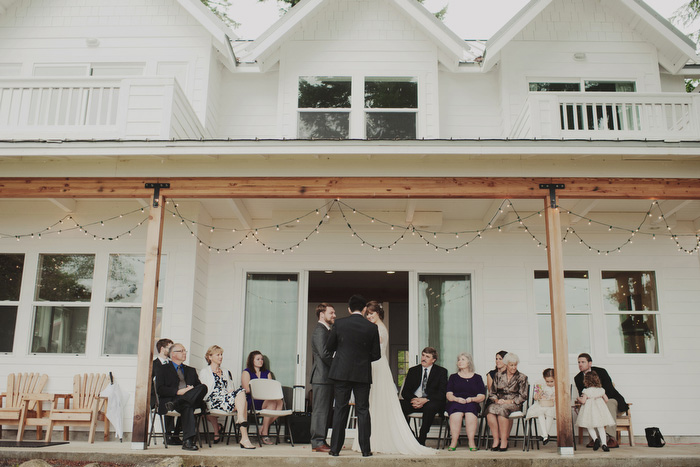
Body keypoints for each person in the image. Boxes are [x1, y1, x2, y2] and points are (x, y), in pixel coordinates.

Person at [351, 301, 434, 455]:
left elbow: (371, 348)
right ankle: (370, 439)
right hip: (374, 366)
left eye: (371, 313)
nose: (369, 316)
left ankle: (377, 440)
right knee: (371, 403)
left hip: (377, 367)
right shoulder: (377, 328)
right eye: (367, 313)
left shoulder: (378, 329)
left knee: (378, 402)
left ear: (378, 313)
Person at [327, 294, 381, 457]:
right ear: (364, 309)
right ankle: (365, 450)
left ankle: (335, 449)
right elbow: (376, 354)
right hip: (362, 373)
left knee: (340, 410)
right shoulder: (372, 327)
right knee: (363, 410)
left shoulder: (340, 323)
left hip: (341, 372)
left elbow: (330, 347)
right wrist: (363, 359)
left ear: (349, 309)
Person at [198, 345, 255, 449]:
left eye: (221, 355)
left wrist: (231, 392)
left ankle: (242, 423)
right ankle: (244, 437)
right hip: (212, 399)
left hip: (226, 397)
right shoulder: (205, 372)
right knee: (243, 401)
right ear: (210, 357)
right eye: (218, 355)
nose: (221, 357)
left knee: (241, 393)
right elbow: (202, 390)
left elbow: (230, 388)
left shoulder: (225, 371)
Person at [155, 343, 207, 451]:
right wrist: (178, 392)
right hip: (172, 399)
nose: (184, 353)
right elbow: (160, 389)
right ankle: (188, 442)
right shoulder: (163, 369)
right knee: (188, 406)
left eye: (185, 351)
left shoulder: (191, 370)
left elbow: (198, 388)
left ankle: (180, 402)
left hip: (179, 402)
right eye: (181, 351)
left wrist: (191, 389)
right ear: (173, 354)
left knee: (203, 387)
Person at [574, 352, 628, 446]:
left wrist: (597, 397)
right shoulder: (578, 378)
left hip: (610, 399)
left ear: (590, 363)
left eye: (583, 362)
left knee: (607, 403)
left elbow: (609, 390)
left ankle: (611, 437)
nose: (580, 364)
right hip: (593, 403)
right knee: (590, 407)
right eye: (578, 362)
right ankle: (595, 439)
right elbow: (582, 394)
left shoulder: (601, 372)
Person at [399, 347, 448, 446]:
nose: (424, 358)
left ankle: (422, 438)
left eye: (427, 356)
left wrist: (425, 400)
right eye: (423, 355)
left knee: (431, 407)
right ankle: (410, 435)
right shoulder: (413, 370)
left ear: (433, 360)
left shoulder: (441, 371)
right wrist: (415, 400)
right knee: (399, 405)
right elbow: (405, 392)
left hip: (430, 401)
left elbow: (442, 393)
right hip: (414, 401)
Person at [485, 352, 528, 452]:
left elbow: (523, 396)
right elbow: (492, 393)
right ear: (506, 365)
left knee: (502, 410)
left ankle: (504, 440)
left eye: (515, 365)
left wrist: (510, 401)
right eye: (511, 365)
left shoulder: (522, 377)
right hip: (500, 402)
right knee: (490, 409)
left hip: (514, 403)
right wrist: (496, 400)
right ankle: (496, 440)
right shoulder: (498, 375)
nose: (513, 367)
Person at [445, 352, 485, 451]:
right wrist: (457, 399)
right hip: (456, 401)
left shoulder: (477, 378)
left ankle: (471, 441)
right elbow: (449, 394)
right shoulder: (453, 377)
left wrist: (471, 399)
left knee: (470, 413)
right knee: (456, 414)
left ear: (469, 362)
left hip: (471, 402)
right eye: (459, 360)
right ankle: (454, 441)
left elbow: (482, 396)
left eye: (463, 359)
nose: (460, 362)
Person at [241, 350, 283, 445]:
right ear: (252, 361)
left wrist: (263, 390)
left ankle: (263, 428)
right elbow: (246, 389)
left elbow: (271, 389)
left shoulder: (267, 373)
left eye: (262, 359)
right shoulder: (246, 372)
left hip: (264, 400)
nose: (261, 361)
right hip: (252, 400)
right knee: (272, 403)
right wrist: (261, 390)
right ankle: (264, 433)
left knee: (279, 402)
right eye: (258, 359)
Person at [310, 302, 336, 453]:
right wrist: (339, 366)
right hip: (321, 377)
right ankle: (317, 442)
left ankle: (322, 441)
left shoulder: (326, 330)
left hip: (326, 377)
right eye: (331, 313)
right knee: (320, 410)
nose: (334, 315)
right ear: (322, 314)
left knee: (325, 411)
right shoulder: (320, 331)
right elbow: (325, 355)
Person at [575, 371, 615, 452]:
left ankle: (596, 439)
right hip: (599, 411)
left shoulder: (586, 391)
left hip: (589, 412)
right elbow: (606, 400)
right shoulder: (601, 390)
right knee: (601, 428)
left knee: (590, 426)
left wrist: (578, 398)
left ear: (586, 381)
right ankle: (604, 444)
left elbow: (583, 401)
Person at [525, 368, 556, 445]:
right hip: (543, 404)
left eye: (551, 381)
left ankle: (544, 435)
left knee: (550, 413)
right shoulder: (540, 384)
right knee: (540, 412)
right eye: (547, 381)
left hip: (552, 405)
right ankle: (545, 435)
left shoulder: (558, 386)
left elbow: (561, 397)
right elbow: (535, 397)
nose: (549, 383)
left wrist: (554, 398)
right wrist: (540, 394)